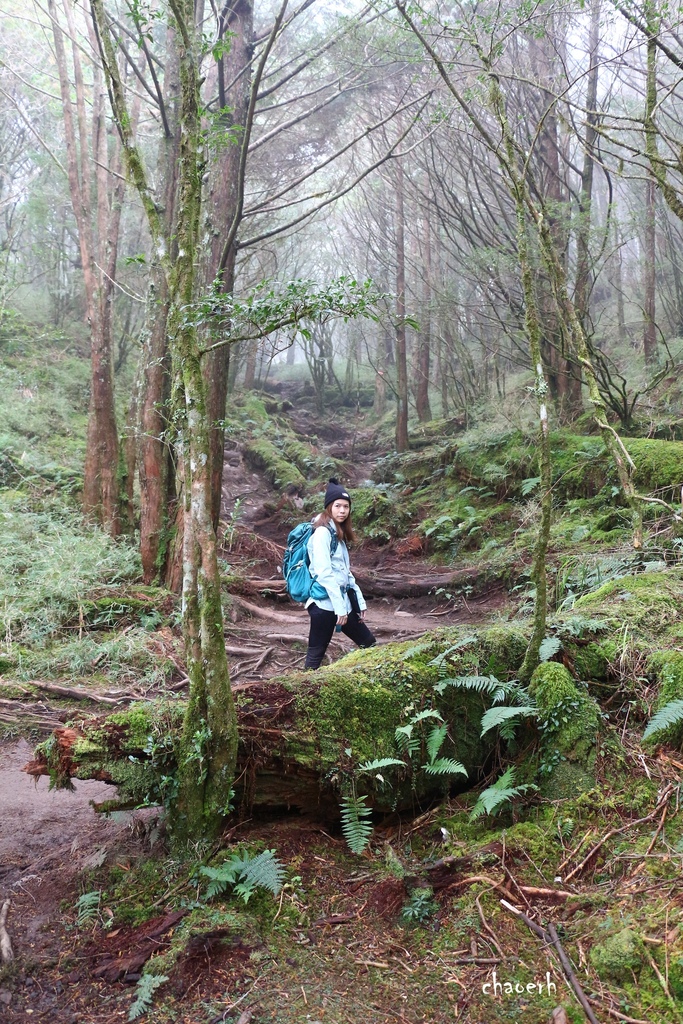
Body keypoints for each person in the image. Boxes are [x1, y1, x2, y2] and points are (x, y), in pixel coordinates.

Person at [304, 479, 376, 669]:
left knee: (369, 644)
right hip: (325, 606)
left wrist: (358, 600)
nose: (342, 510)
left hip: (341, 604)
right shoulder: (322, 534)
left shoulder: (338, 534)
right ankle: (304, 694)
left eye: (346, 506)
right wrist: (340, 608)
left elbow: (346, 572)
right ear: (329, 507)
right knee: (314, 659)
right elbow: (324, 573)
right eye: (337, 506)